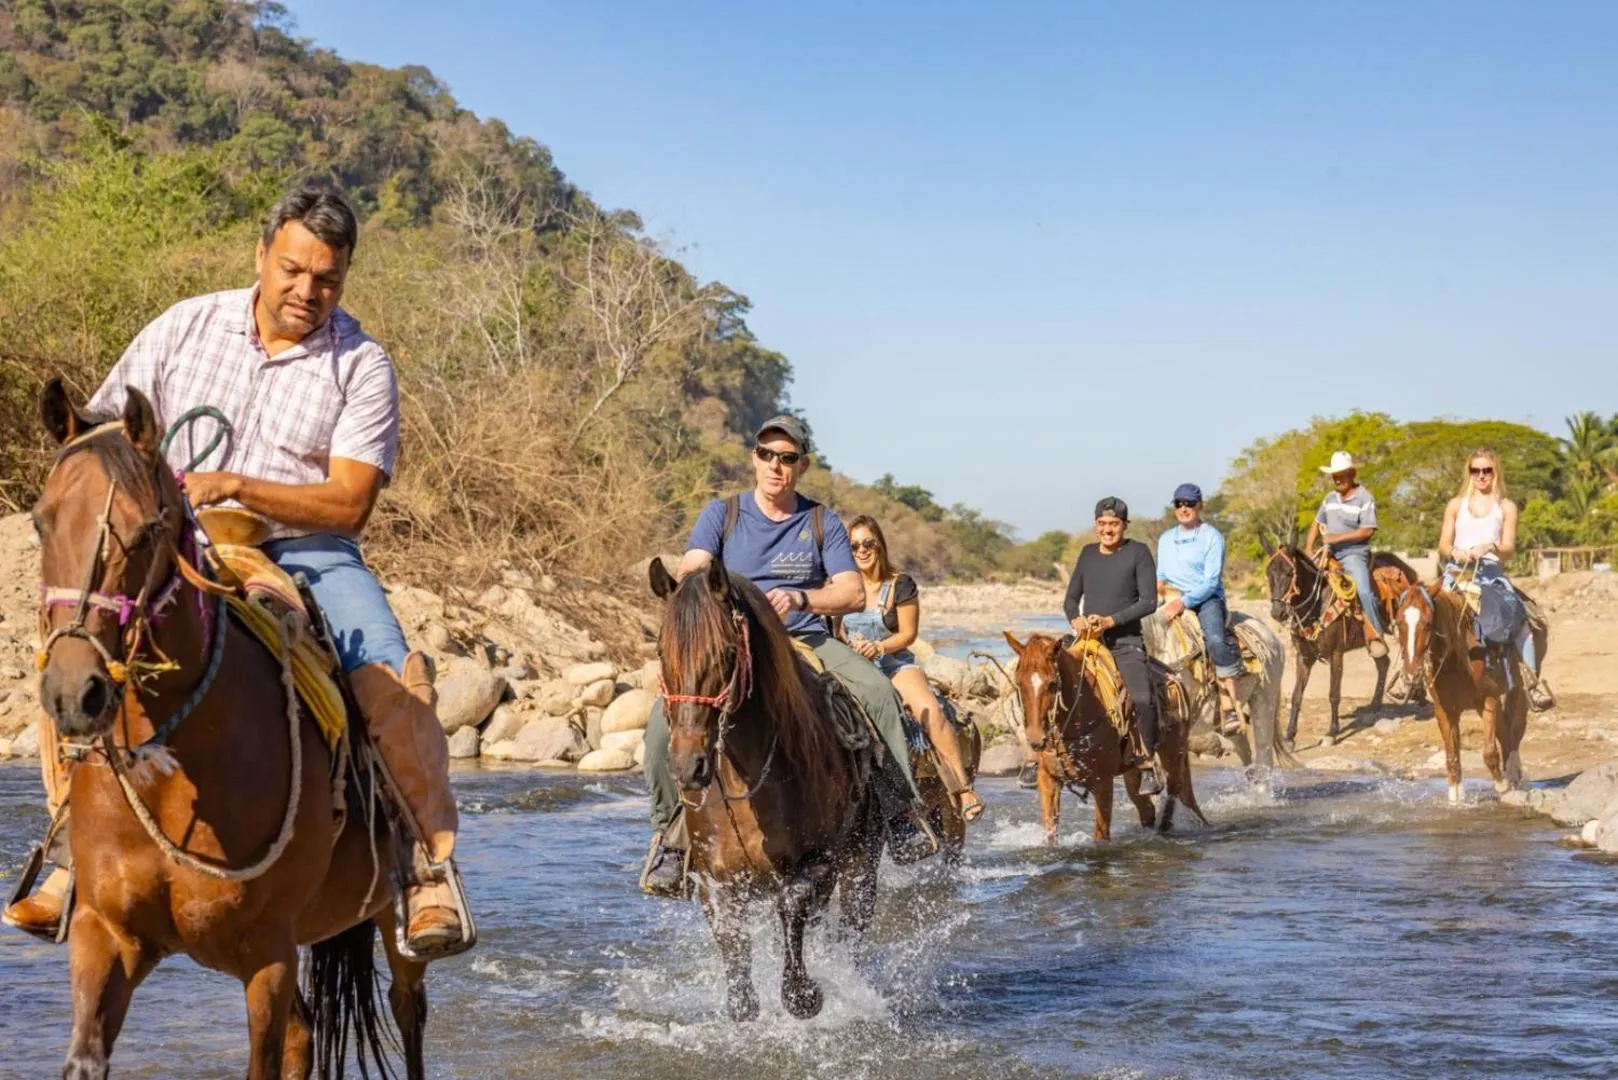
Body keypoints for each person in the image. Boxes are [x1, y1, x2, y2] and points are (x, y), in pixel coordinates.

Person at [4, 183, 468, 956]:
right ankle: (67, 848)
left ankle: (428, 867)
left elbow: (351, 503)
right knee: (73, 643)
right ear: (261, 255)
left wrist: (238, 486)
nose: (305, 292)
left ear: (344, 280)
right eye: (292, 270)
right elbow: (97, 434)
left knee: (387, 674)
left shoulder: (362, 363)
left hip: (306, 550)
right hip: (175, 544)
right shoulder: (186, 324)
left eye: (326, 280)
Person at [640, 416, 938, 896]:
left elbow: (851, 592)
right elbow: (695, 565)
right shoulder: (723, 514)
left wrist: (801, 599)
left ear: (802, 464)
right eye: (767, 455)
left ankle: (899, 811)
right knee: (661, 727)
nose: (775, 466)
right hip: (736, 646)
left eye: (787, 458)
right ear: (754, 458)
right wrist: (695, 586)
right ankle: (671, 838)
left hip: (805, 641)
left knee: (879, 692)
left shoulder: (821, 521)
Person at [841, 515, 985, 823]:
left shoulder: (899, 584)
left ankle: (962, 788)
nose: (862, 550)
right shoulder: (840, 586)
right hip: (853, 668)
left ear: (880, 544)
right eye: (854, 545)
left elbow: (908, 634)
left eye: (868, 543)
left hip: (894, 664)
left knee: (928, 709)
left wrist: (879, 647)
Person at [1437, 448, 1555, 711]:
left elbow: (1509, 547)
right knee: (1421, 615)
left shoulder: (1506, 506)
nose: (1481, 476)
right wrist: (1455, 550)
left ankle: (1531, 682)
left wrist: (1490, 547)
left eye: (1486, 470)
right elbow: (1444, 543)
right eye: (1475, 470)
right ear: (1469, 472)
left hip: (1490, 575)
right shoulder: (1456, 505)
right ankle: (1409, 676)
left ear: (1495, 472)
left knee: (1522, 619)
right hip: (1457, 573)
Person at [1061, 496, 1162, 795]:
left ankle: (1147, 762)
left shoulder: (1139, 552)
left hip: (1124, 641)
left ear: (1124, 526)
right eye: (1102, 524)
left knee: (1142, 698)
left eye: (1114, 524)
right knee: (1049, 684)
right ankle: (1042, 756)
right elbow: (1070, 599)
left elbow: (1149, 602)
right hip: (1088, 641)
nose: (1107, 530)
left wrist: (1111, 621)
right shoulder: (1087, 553)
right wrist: (1074, 619)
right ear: (1095, 526)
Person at [1155, 483, 1243, 734]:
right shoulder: (1165, 539)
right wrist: (1156, 590)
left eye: (1189, 504)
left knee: (1215, 639)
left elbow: (1211, 581)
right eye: (1179, 504)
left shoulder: (1212, 536)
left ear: (1200, 505)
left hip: (1205, 599)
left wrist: (1183, 602)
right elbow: (1160, 575)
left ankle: (1228, 705)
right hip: (1170, 598)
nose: (1184, 508)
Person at [1304, 451, 1388, 656]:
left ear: (1352, 473)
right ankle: (1303, 629)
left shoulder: (1364, 497)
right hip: (1329, 554)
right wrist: (1308, 548)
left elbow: (1368, 530)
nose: (1338, 479)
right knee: (1304, 581)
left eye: (1342, 474)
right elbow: (1317, 523)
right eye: (1335, 475)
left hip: (1354, 554)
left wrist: (1334, 539)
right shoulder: (1329, 498)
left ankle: (1376, 634)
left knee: (1365, 591)